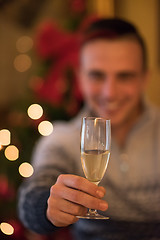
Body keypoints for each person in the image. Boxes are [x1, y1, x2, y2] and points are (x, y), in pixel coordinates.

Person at [18, 17, 160, 240]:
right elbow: (32, 195)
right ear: (80, 78)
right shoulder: (62, 138)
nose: (110, 93)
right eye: (97, 75)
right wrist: (47, 205)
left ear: (144, 79)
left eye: (125, 76)